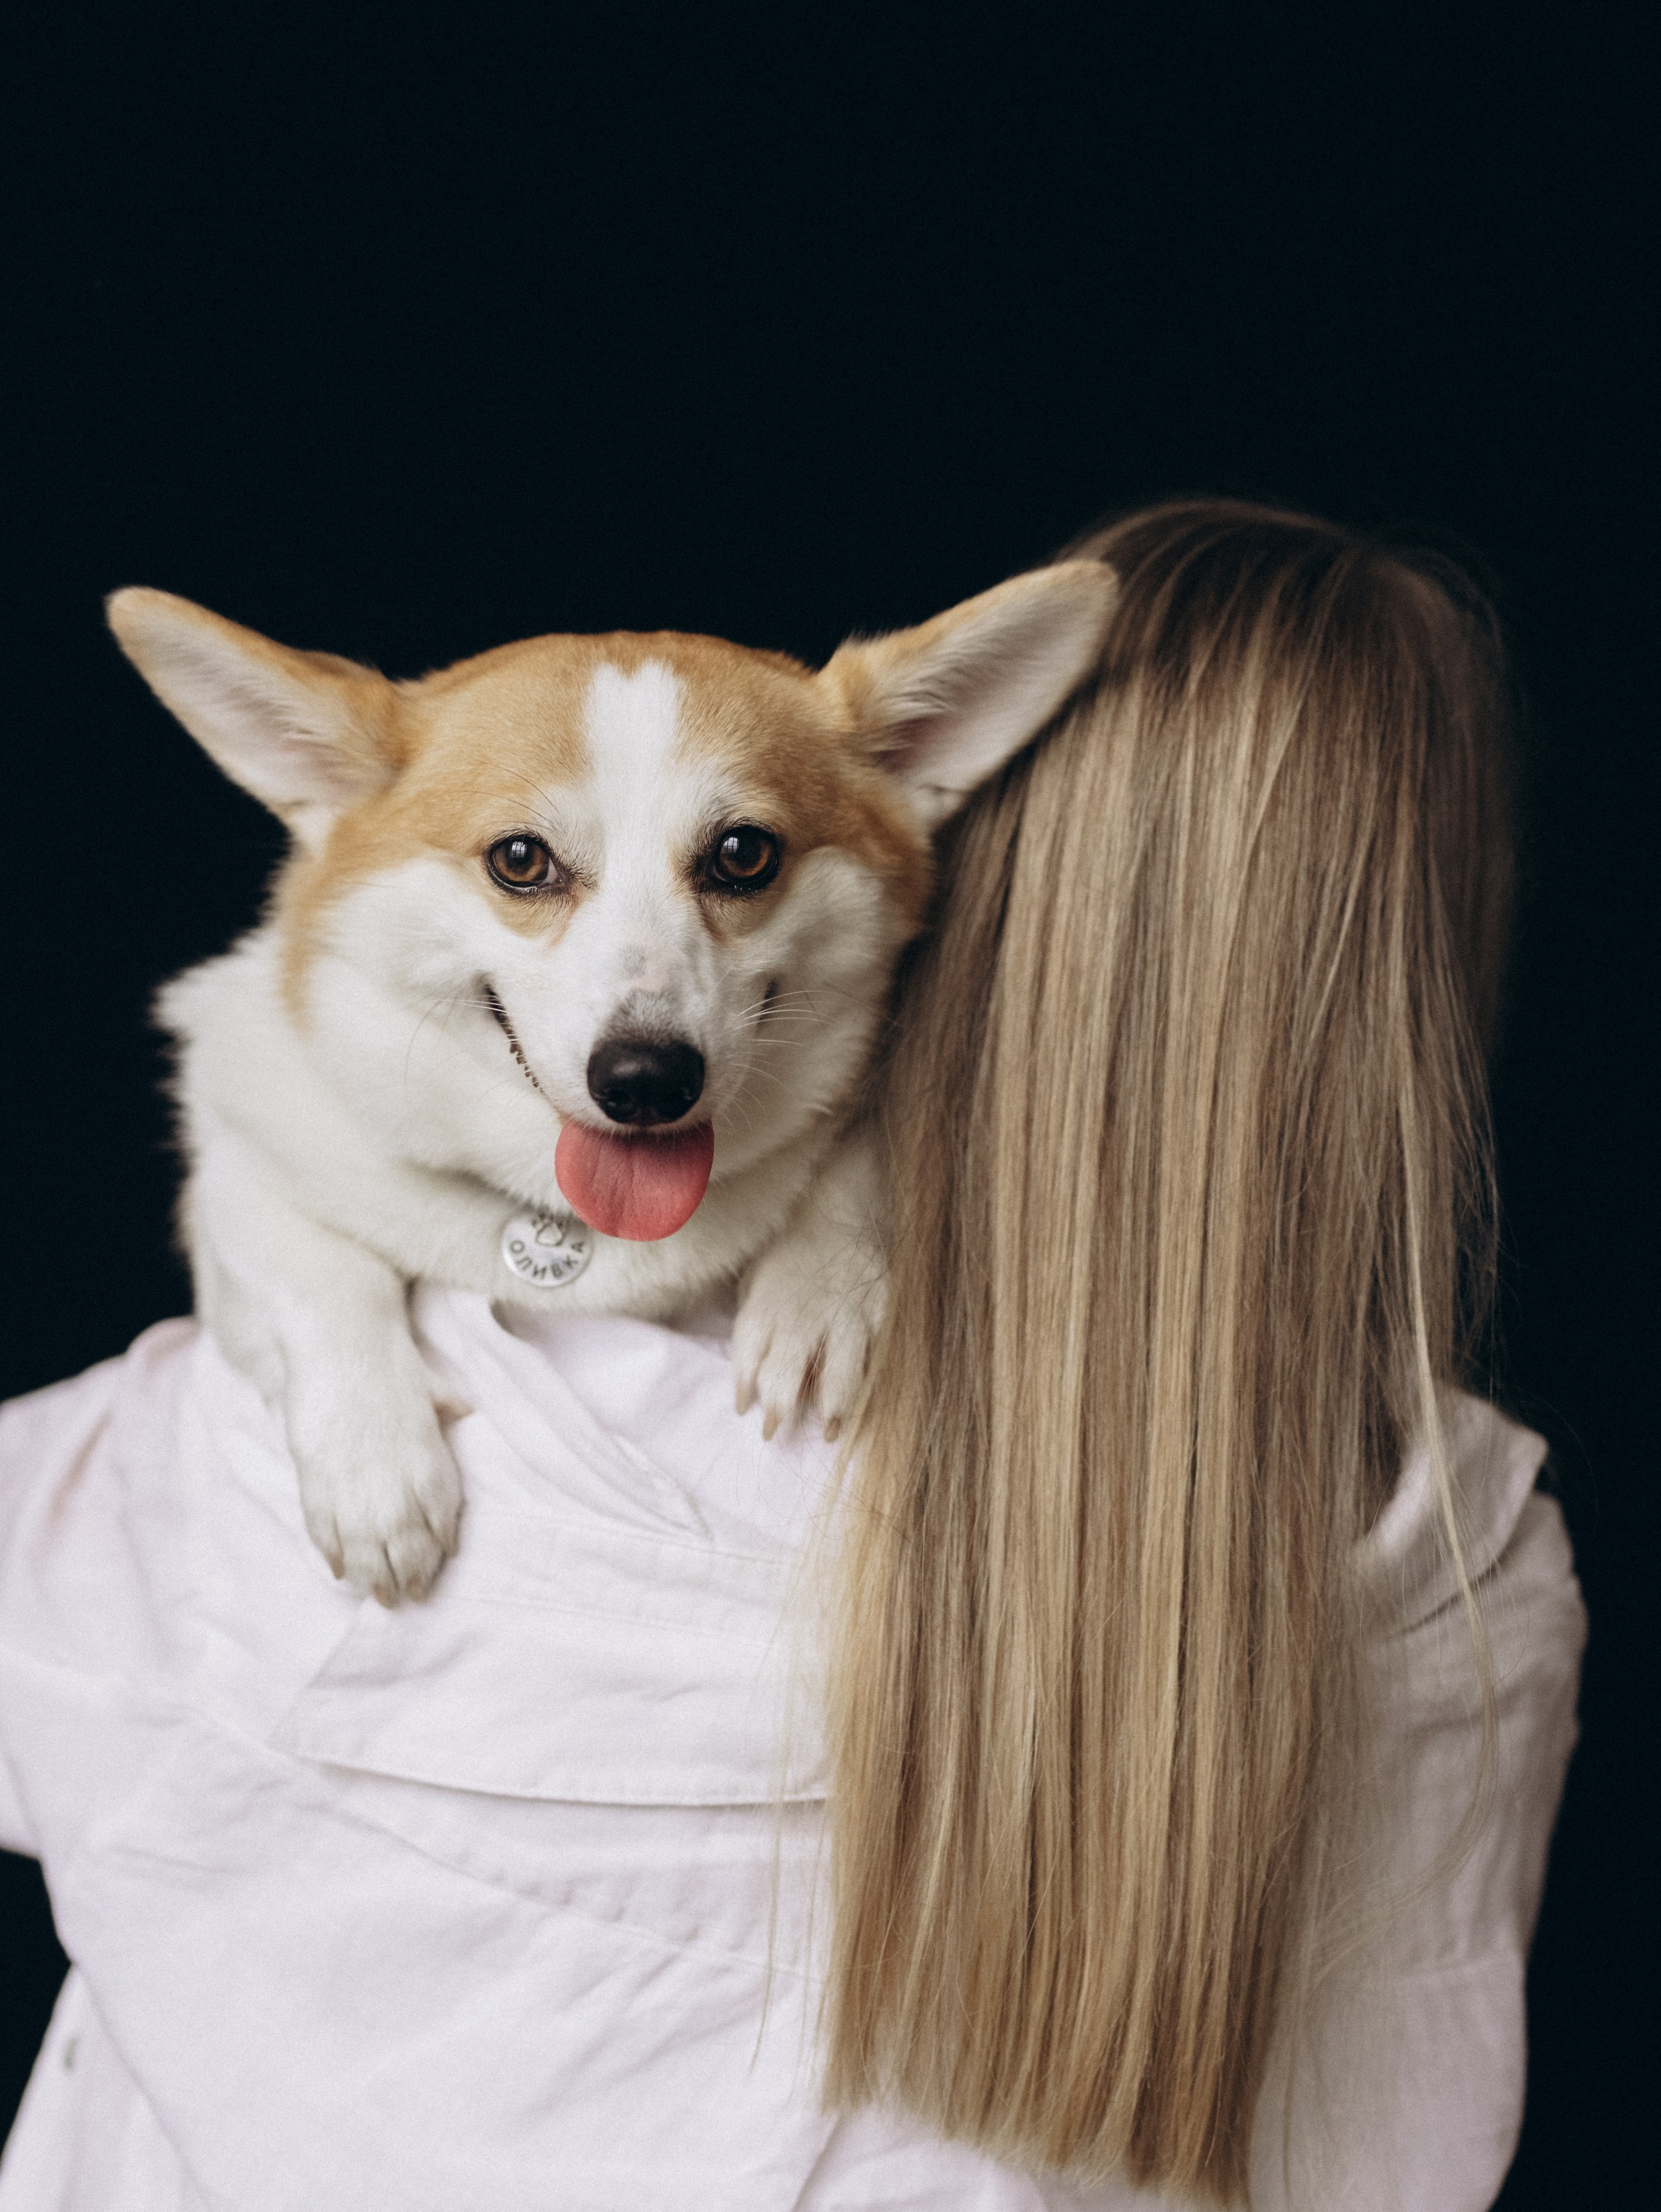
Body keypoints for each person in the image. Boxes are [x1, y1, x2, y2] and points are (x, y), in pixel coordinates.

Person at [0, 502, 1583, 2210]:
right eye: (528, 865)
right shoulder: (1484, 1568)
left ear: (940, 867)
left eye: (738, 861)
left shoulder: (262, 1471)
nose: (643, 993)